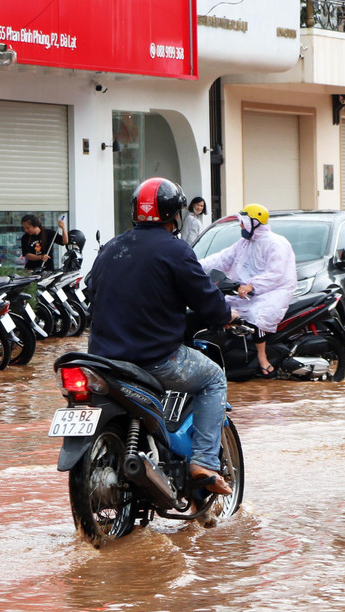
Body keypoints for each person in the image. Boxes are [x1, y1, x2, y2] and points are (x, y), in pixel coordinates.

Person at [87, 177, 239, 494]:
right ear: (175, 215)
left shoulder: (112, 247)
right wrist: (226, 315)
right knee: (213, 379)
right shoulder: (175, 250)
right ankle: (204, 463)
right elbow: (206, 299)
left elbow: (91, 290)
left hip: (101, 360)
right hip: (154, 360)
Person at [199, 203, 298, 376]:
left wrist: (252, 285)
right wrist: (194, 266)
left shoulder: (276, 243)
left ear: (255, 223)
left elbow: (276, 273)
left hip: (274, 290)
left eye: (243, 222)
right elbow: (222, 258)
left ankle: (262, 357)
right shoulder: (244, 243)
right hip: (245, 291)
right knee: (222, 309)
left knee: (257, 314)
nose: (241, 226)